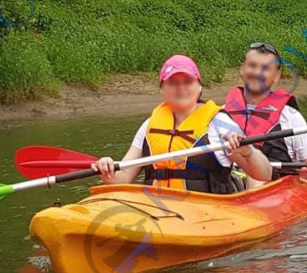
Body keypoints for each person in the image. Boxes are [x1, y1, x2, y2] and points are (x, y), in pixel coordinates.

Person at [92, 54, 273, 194]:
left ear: (199, 87)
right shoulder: (148, 126)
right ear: (162, 89)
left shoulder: (219, 124)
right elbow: (123, 178)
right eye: (173, 83)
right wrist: (107, 170)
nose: (181, 88)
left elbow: (263, 174)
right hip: (157, 207)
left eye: (187, 82)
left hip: (210, 210)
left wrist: (248, 153)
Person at [225, 42, 307, 187]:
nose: (257, 73)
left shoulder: (291, 117)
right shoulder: (221, 113)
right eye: (252, 66)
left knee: (255, 177)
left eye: (265, 68)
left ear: (276, 76)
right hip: (231, 185)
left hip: (273, 189)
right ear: (242, 69)